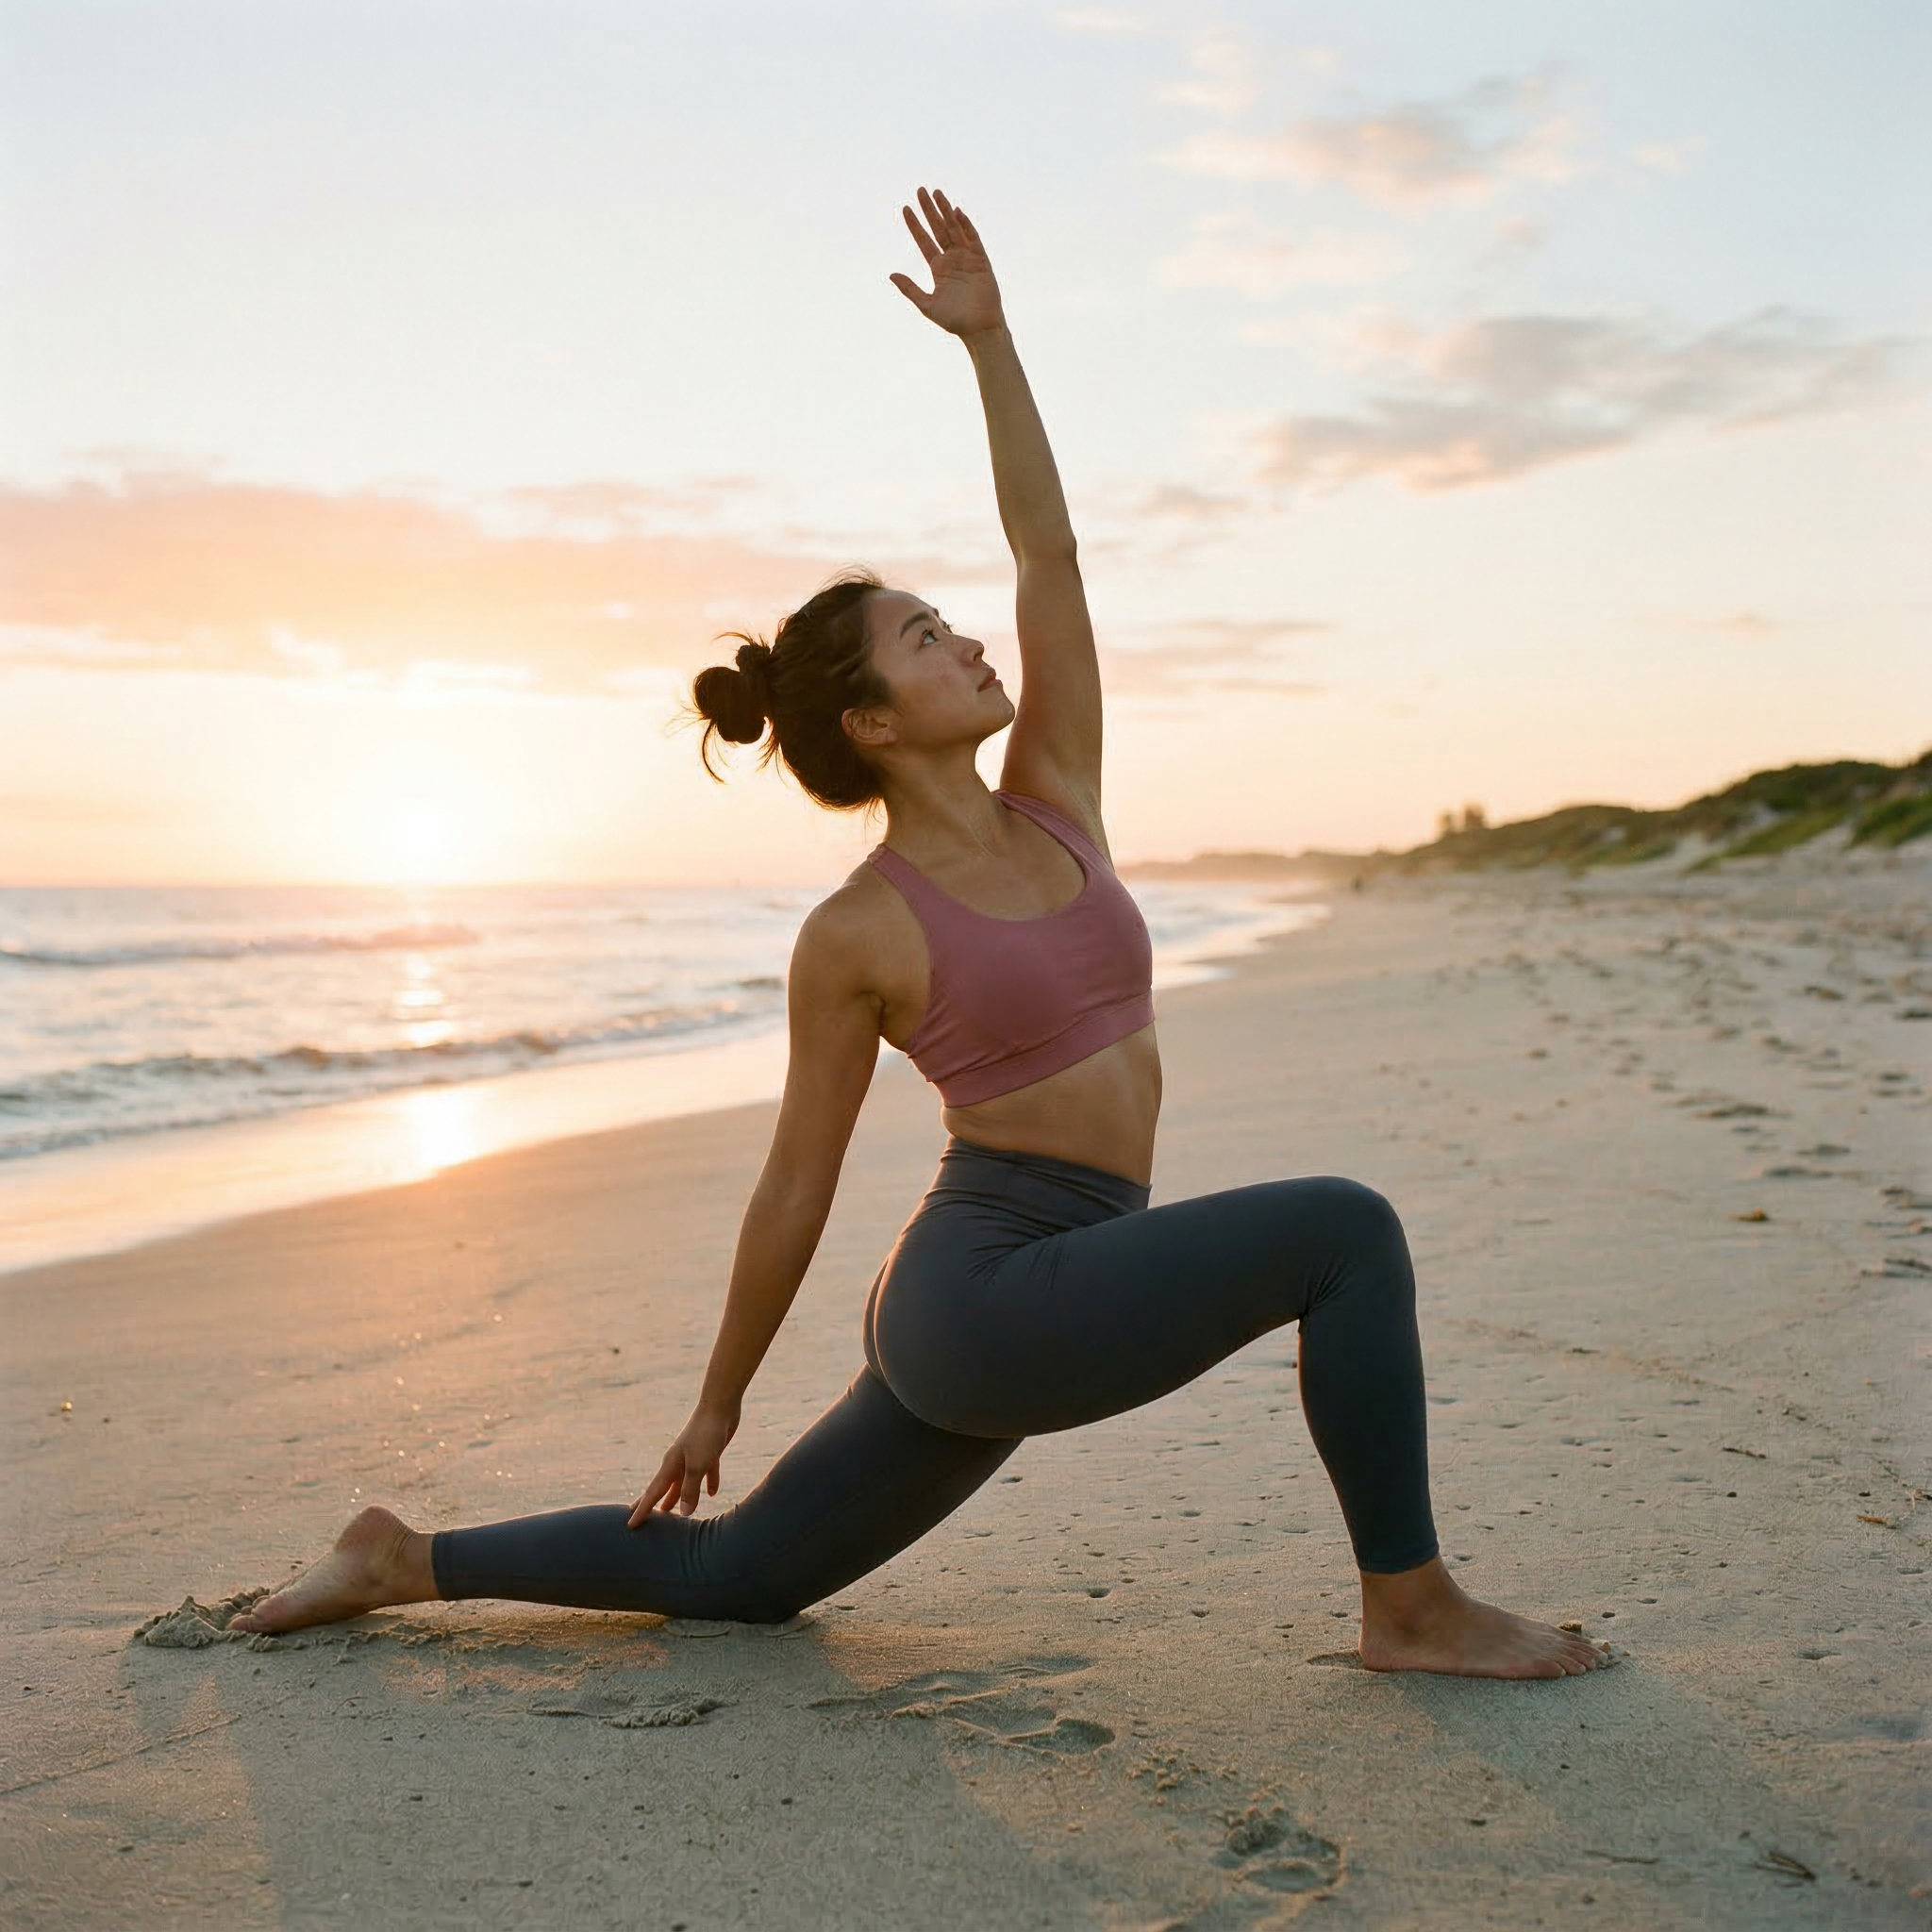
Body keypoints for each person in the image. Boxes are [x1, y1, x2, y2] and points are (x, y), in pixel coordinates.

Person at [236, 189, 1607, 1679]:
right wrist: (716, 1400)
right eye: (923, 640)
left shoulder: (1058, 799)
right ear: (873, 724)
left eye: (946, 620)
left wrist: (991, 345)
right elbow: (792, 1186)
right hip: (989, 1293)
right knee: (1346, 1234)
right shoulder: (857, 932)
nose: (967, 641)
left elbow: (1053, 563)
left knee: (743, 1573)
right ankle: (1411, 1609)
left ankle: (404, 1558)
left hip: (1048, 1272)